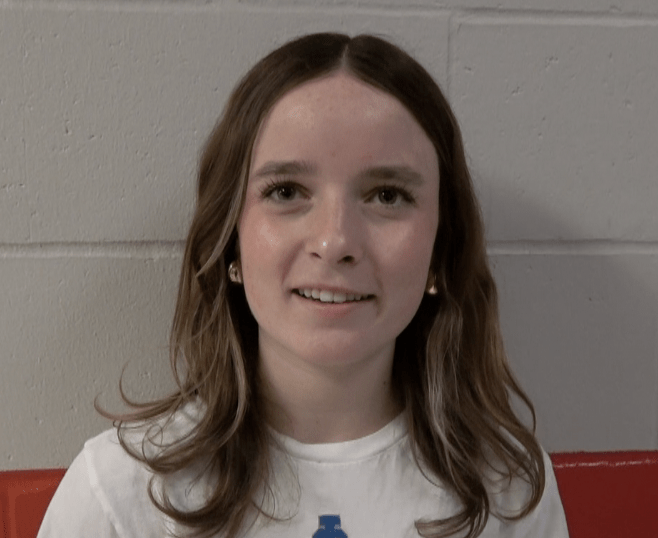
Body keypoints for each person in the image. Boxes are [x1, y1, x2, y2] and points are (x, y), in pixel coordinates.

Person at [37, 32, 569, 538]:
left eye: (387, 195)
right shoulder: (120, 492)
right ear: (230, 243)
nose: (335, 241)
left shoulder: (509, 491)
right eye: (287, 191)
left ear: (440, 250)